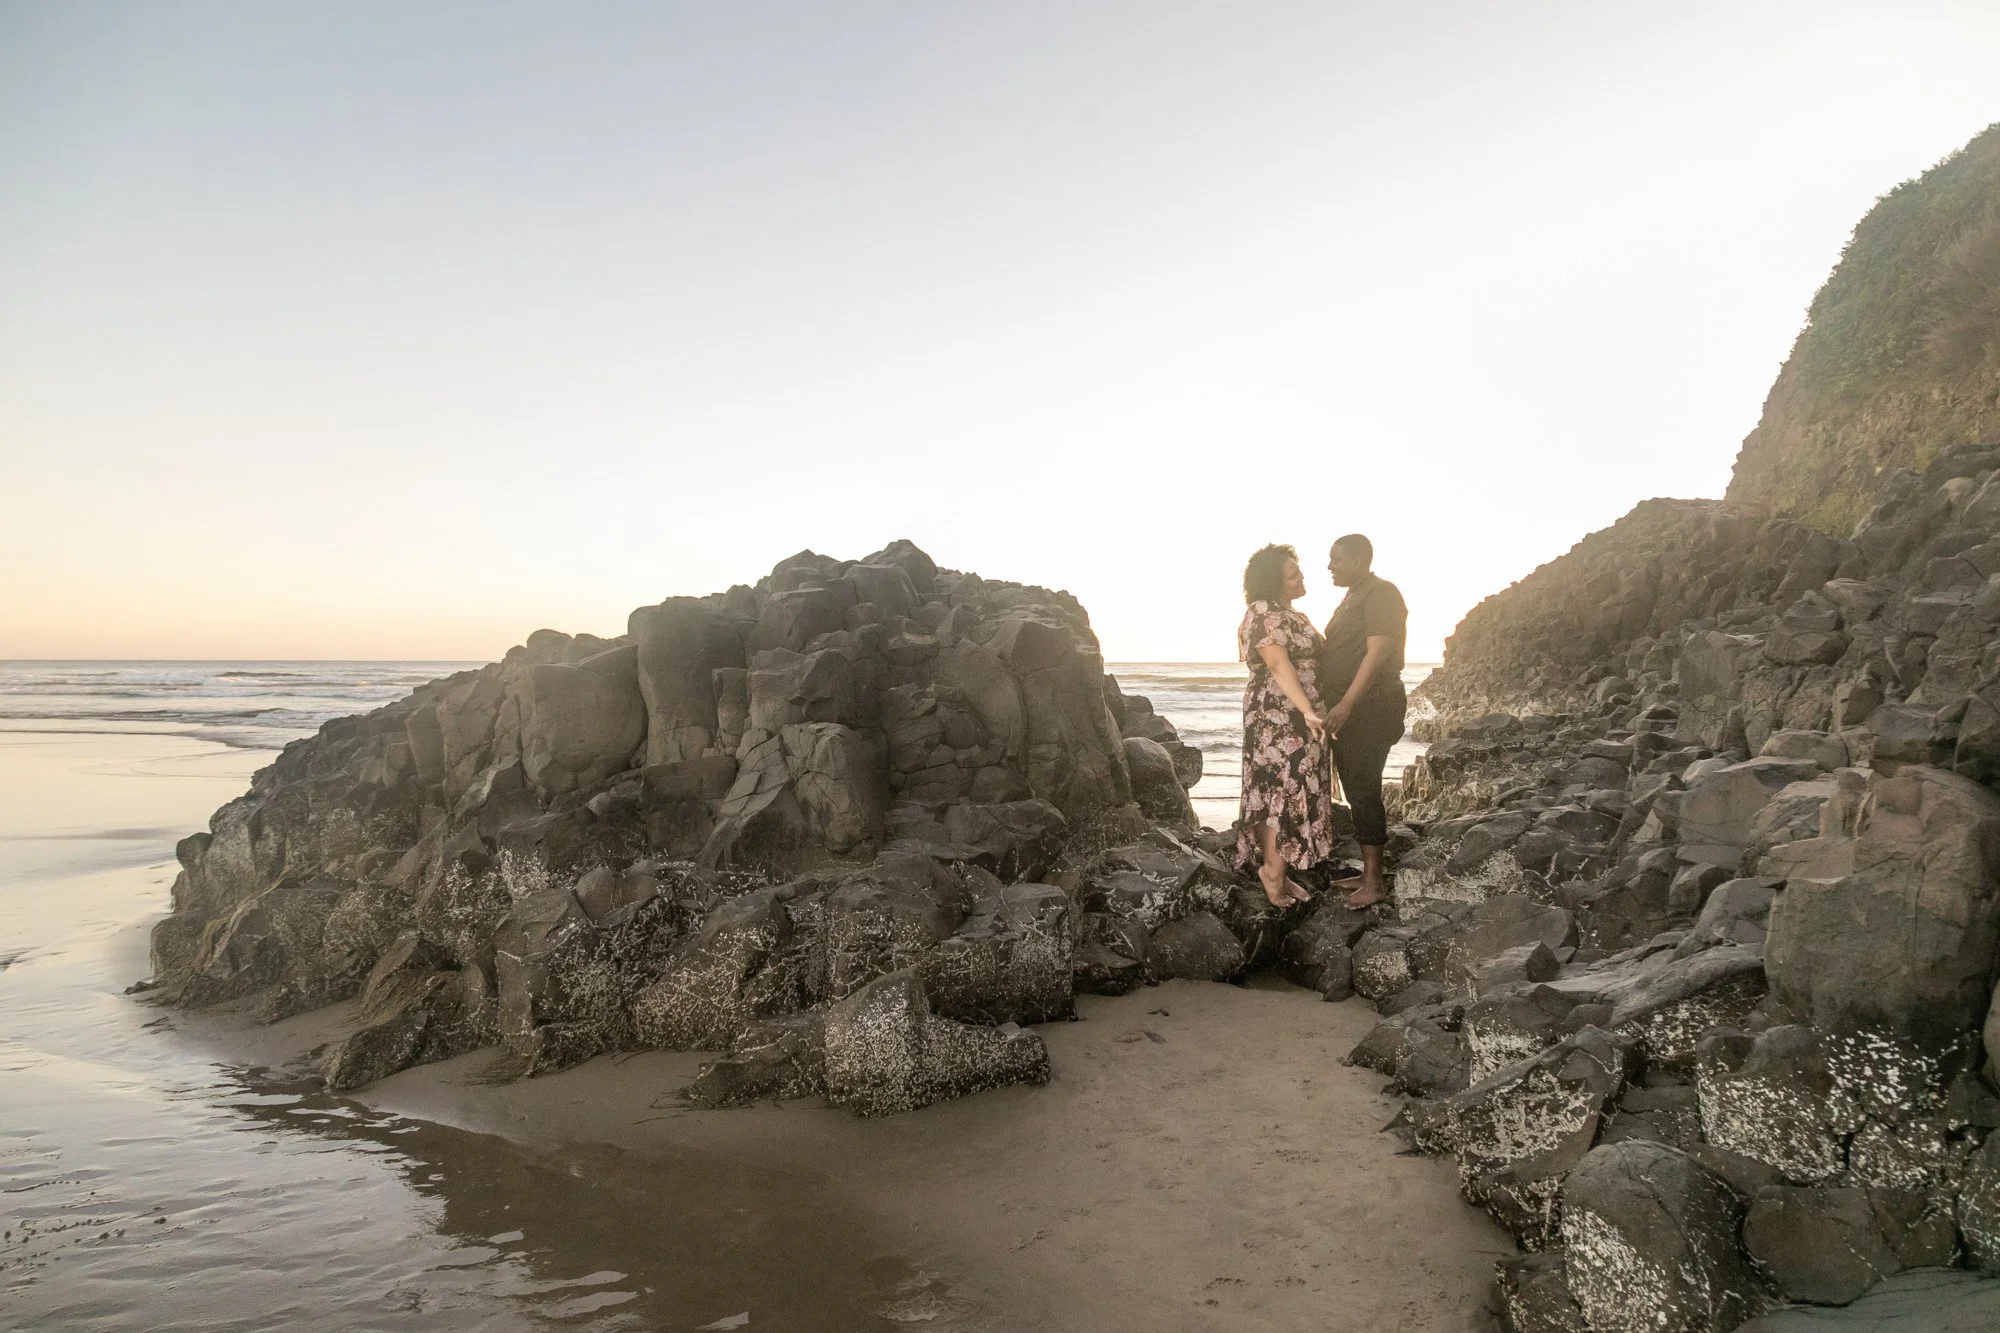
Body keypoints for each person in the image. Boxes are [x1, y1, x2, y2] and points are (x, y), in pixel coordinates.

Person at [1234, 544, 1334, 907]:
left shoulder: (1294, 615)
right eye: (1293, 573)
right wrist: (1307, 711)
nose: (1302, 577)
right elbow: (1278, 666)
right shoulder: (1263, 612)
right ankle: (1272, 872)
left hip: (1300, 715)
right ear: (1273, 582)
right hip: (1277, 718)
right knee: (1280, 790)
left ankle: (1278, 869)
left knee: (1288, 790)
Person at [1319, 533, 1408, 909]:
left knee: (1363, 785)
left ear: (1357, 560)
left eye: (1335, 560)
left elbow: (1378, 652)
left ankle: (1374, 882)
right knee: (1357, 787)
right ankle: (1368, 871)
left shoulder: (1381, 593)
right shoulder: (1353, 596)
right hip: (1354, 709)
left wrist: (1346, 703)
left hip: (1372, 706)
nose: (1329, 567)